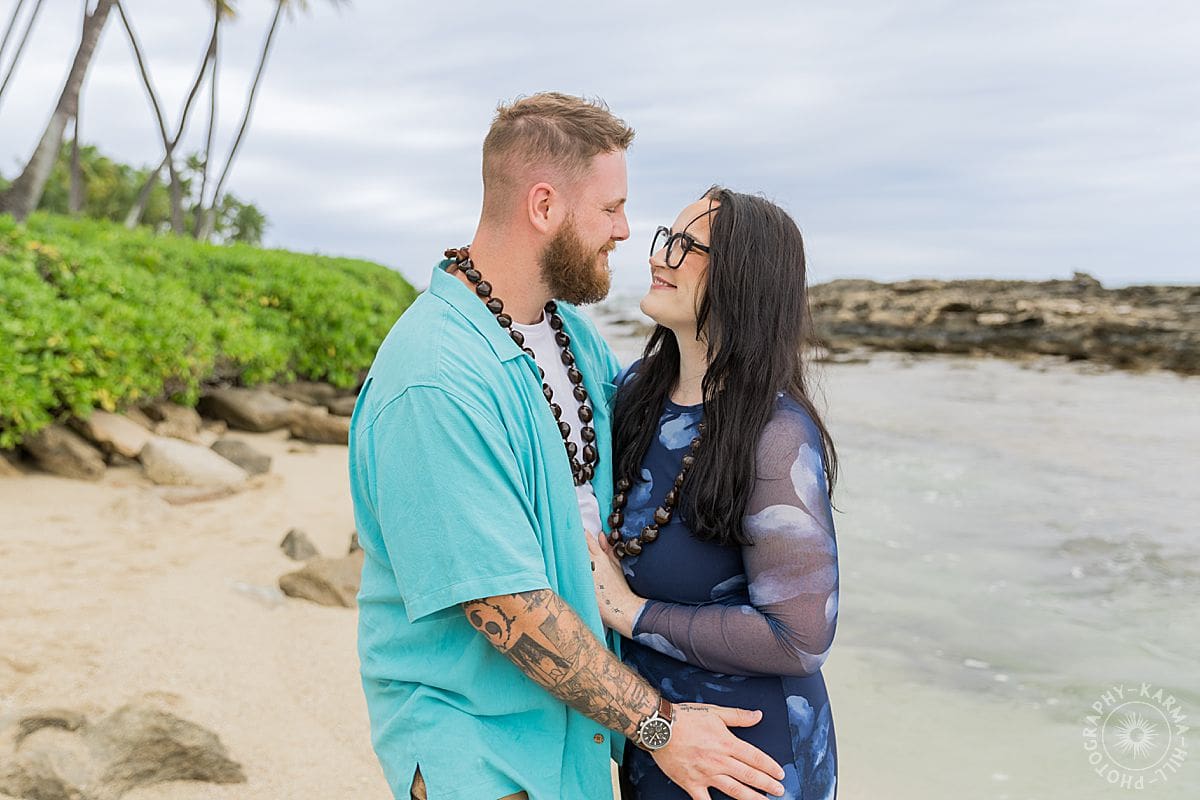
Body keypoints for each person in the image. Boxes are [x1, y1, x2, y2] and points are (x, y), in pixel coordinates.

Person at [348, 95, 787, 800]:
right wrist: (662, 729)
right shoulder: (435, 377)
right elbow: (507, 604)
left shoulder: (573, 341)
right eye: (611, 207)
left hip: (575, 738)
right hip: (478, 746)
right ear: (545, 206)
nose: (624, 230)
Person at [587, 187, 841, 800]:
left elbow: (802, 636)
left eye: (686, 245)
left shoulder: (776, 436)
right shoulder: (637, 392)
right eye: (664, 239)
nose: (659, 257)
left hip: (749, 758)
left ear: (742, 278)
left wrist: (629, 612)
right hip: (657, 737)